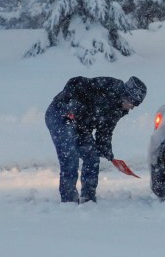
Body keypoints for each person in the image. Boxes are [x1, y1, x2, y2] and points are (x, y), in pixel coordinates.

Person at [45, 75, 147, 203]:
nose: (132, 107)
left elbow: (105, 132)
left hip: (81, 125)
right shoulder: (108, 85)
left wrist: (107, 152)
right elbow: (74, 82)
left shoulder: (117, 110)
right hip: (61, 114)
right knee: (70, 156)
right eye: (133, 102)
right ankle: (69, 200)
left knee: (92, 157)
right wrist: (71, 103)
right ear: (127, 94)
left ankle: (88, 199)